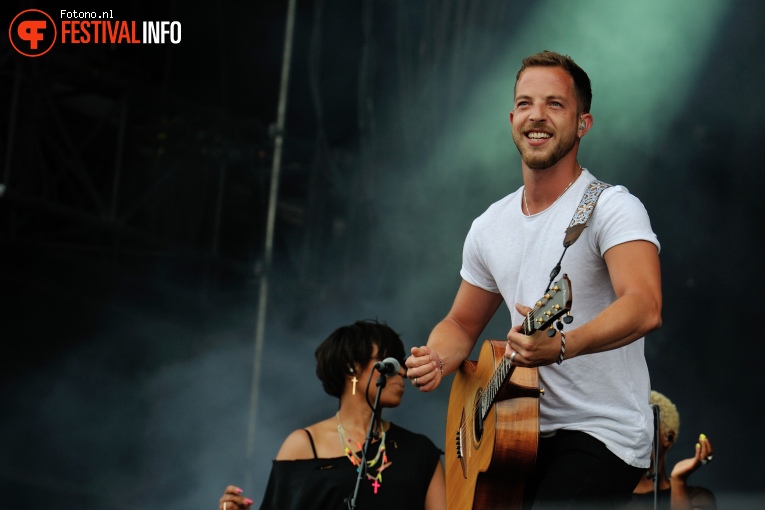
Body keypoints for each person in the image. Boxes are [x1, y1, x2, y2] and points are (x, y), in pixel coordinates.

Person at [405, 50, 663, 508]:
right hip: (515, 432)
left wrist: (563, 345)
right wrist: (435, 358)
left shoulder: (611, 207)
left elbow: (644, 305)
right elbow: (461, 326)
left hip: (602, 432)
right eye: (525, 104)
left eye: (554, 104)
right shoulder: (490, 225)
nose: (536, 116)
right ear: (511, 119)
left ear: (583, 123)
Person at [219, 319, 446, 510]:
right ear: (351, 366)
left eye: (402, 363)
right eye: (389, 362)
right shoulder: (303, 445)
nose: (403, 372)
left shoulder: (421, 453)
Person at [629, 391, 716, 510]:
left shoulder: (697, 498)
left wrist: (678, 482)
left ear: (668, 438)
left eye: (641, 427)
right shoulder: (611, 498)